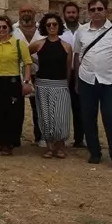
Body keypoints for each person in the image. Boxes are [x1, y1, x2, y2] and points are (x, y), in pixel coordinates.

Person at [72, 0, 112, 169]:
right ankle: (94, 152)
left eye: (99, 9)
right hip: (87, 79)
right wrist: (76, 80)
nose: (96, 12)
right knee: (88, 118)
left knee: (111, 118)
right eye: (93, 10)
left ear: (106, 11)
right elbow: (77, 56)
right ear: (88, 12)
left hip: (108, 81)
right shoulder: (82, 31)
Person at [0, 14, 33, 155]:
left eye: (4, 27)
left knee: (11, 114)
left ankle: (9, 143)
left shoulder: (18, 44)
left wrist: (26, 81)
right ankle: (0, 142)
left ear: (9, 27)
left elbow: (27, 63)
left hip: (11, 81)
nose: (1, 29)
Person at [29, 13, 73, 159]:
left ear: (59, 26)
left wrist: (66, 83)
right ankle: (49, 147)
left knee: (60, 117)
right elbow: (25, 54)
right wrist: (36, 64)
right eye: (48, 25)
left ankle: (60, 146)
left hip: (60, 84)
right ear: (44, 27)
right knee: (45, 117)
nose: (52, 27)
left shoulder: (66, 47)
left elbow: (68, 68)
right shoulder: (39, 44)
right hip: (43, 84)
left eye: (54, 24)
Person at [16, 3, 42, 146]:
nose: (26, 14)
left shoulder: (42, 30)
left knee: (38, 107)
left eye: (29, 11)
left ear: (34, 13)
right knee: (17, 107)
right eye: (23, 11)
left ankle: (40, 136)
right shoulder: (12, 30)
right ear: (19, 13)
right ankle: (16, 136)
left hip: (38, 73)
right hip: (17, 73)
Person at [61, 1, 85, 147]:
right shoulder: (59, 30)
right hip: (63, 73)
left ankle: (79, 139)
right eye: (68, 12)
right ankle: (61, 138)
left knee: (79, 107)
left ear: (78, 14)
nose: (71, 15)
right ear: (64, 14)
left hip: (80, 73)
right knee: (62, 107)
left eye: (73, 12)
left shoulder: (85, 30)